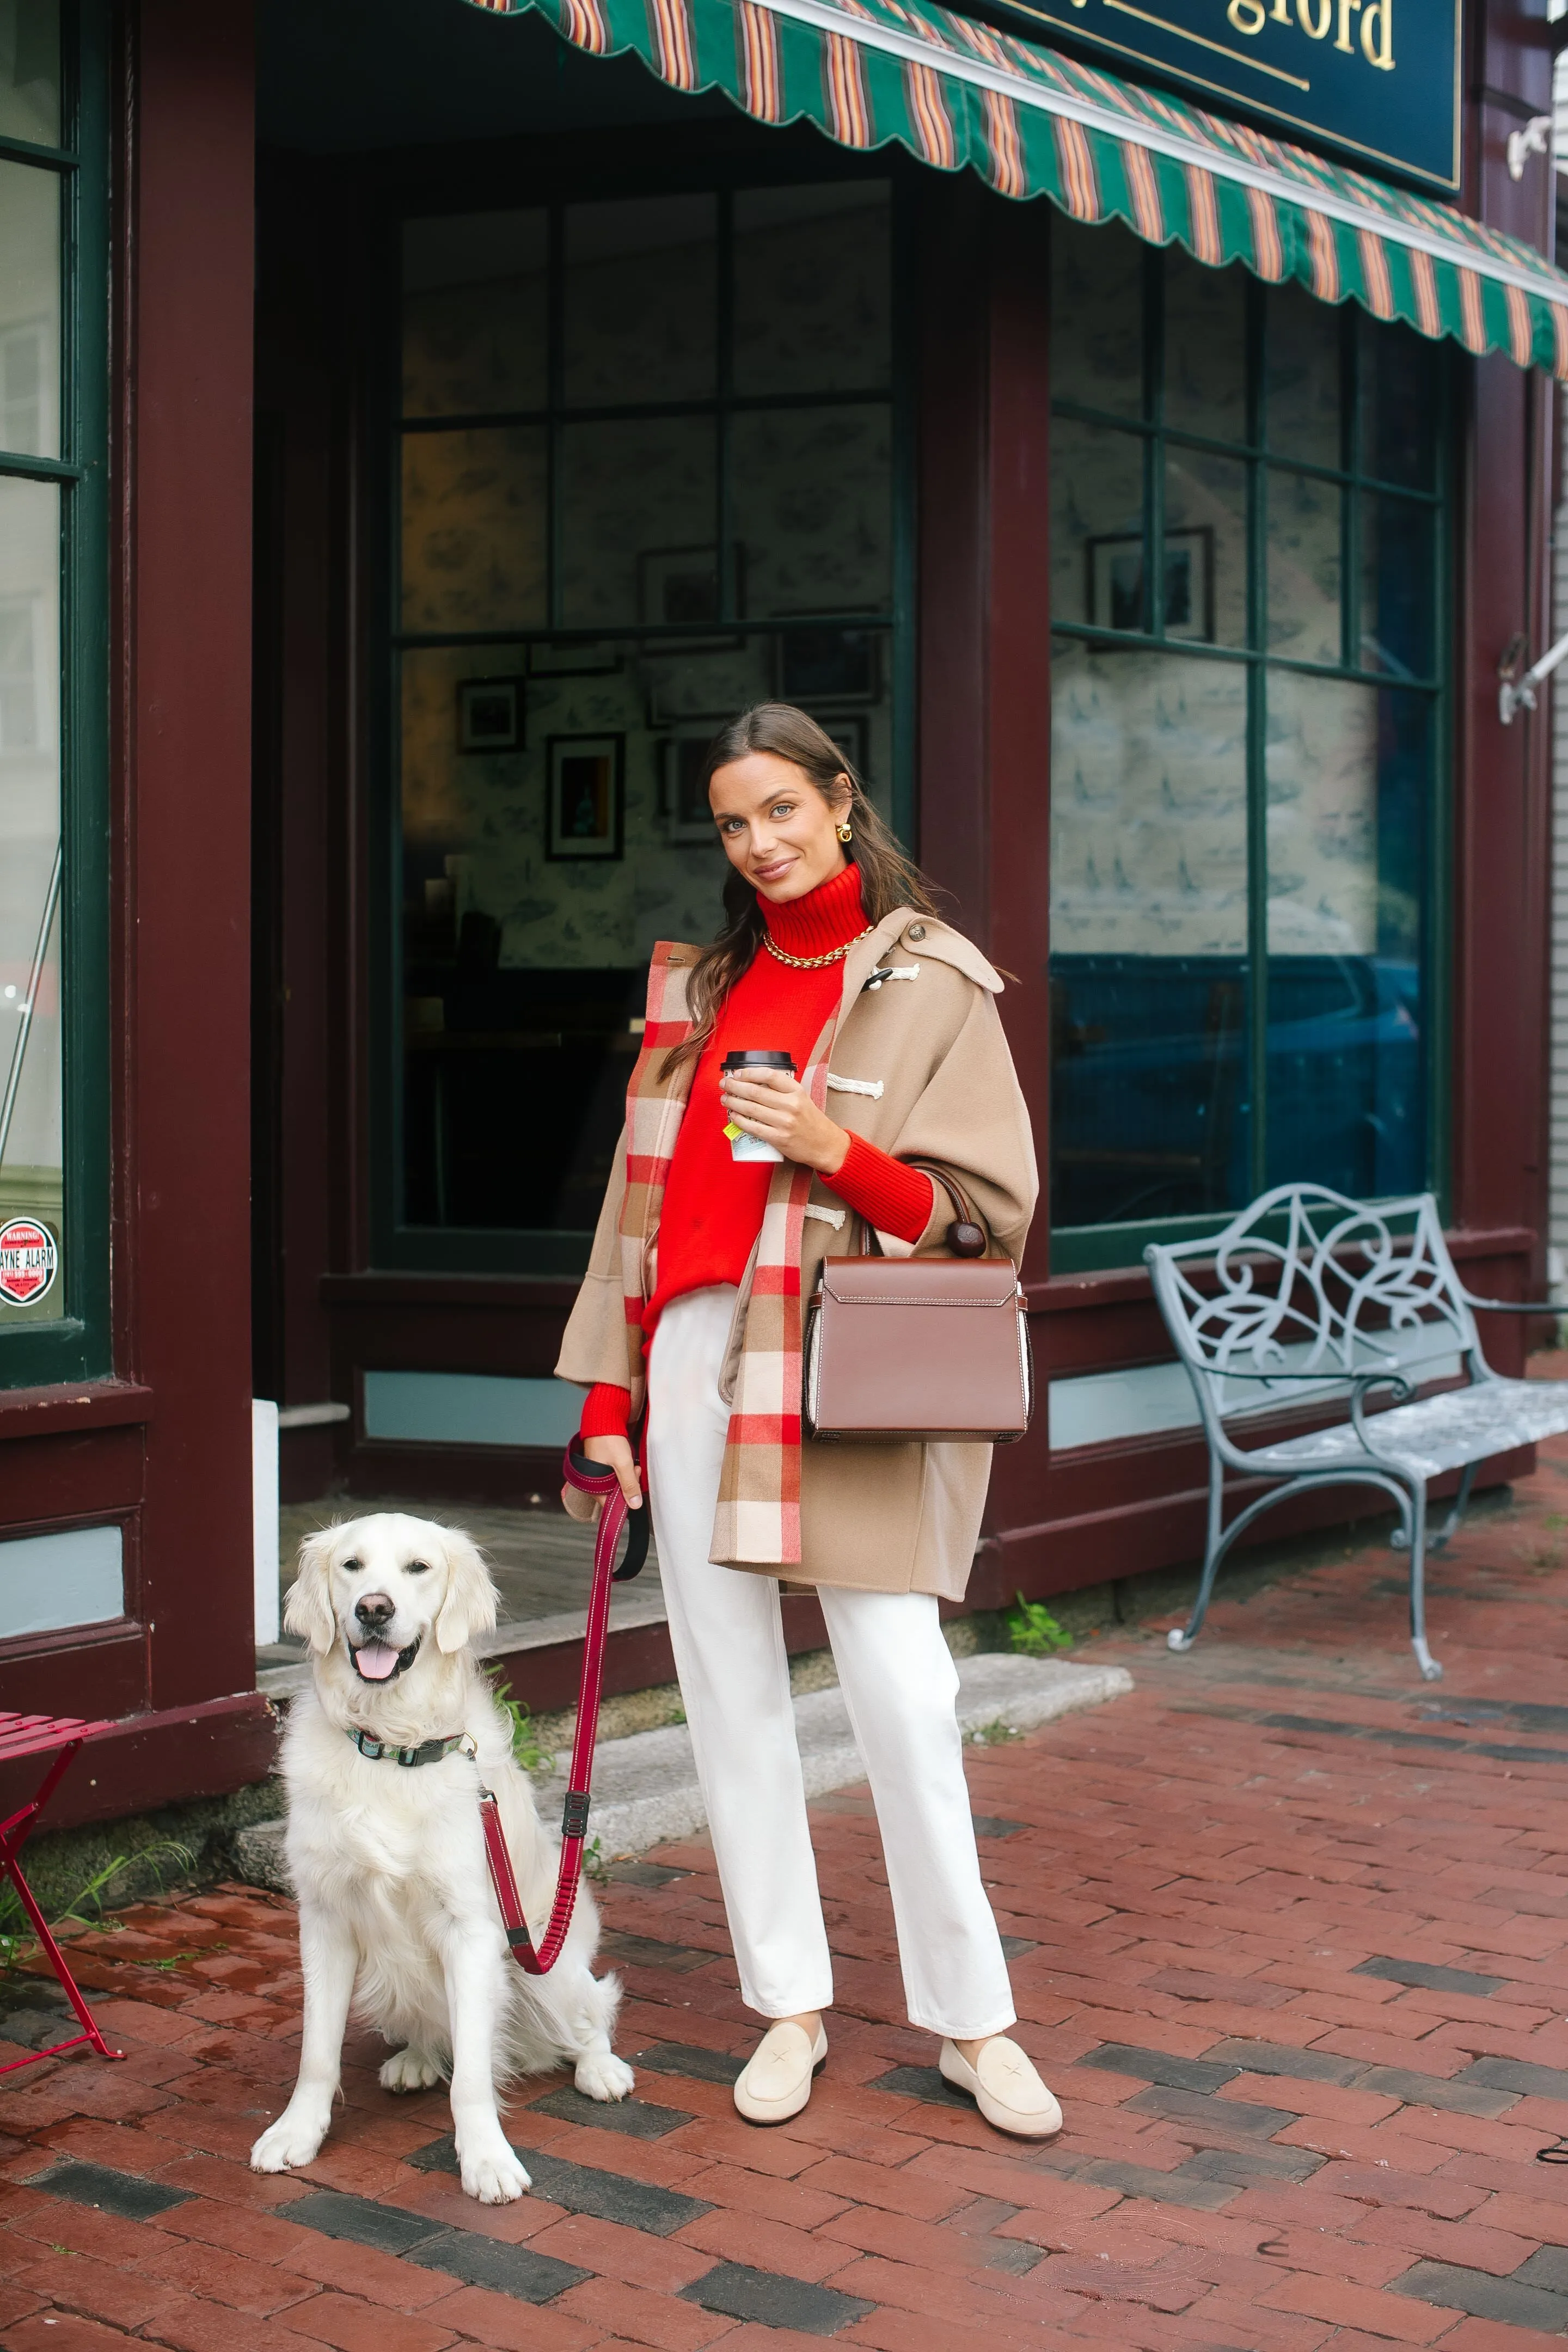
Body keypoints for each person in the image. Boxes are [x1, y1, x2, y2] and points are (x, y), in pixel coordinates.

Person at [555, 703, 1058, 2137]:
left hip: (845, 1356)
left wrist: (841, 1153)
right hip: (700, 1347)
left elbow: (988, 1227)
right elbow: (635, 1214)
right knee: (728, 1691)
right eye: (732, 821)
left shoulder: (936, 982)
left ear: (842, 802)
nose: (759, 842)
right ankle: (789, 2003)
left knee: (904, 1691)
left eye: (782, 808)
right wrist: (608, 1402)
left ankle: (975, 2023)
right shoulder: (701, 989)